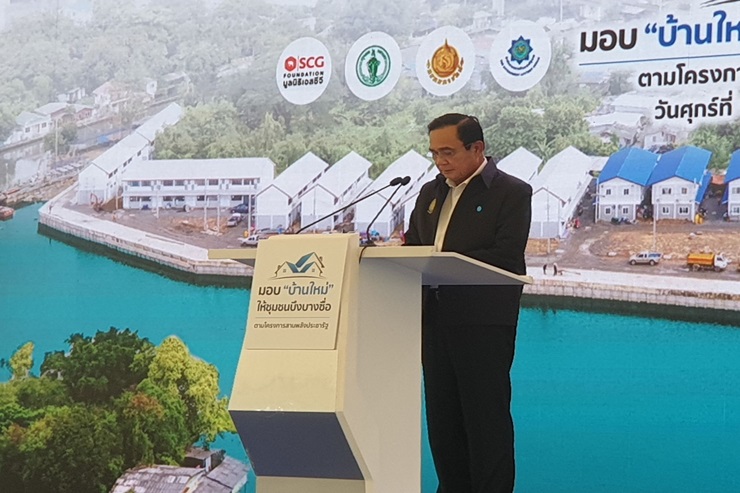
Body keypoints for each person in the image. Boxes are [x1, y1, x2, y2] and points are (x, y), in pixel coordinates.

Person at [404, 114, 532, 493]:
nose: (440, 161)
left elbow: (506, 256)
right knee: (443, 424)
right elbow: (414, 247)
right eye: (434, 153)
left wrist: (444, 262)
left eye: (448, 152)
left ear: (477, 149)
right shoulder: (430, 193)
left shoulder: (511, 192)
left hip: (483, 324)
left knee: (485, 423)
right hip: (433, 321)